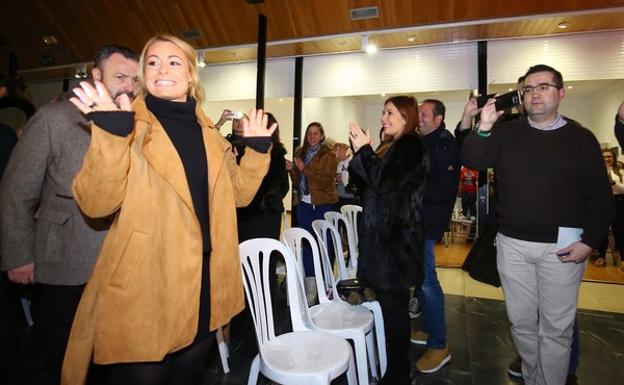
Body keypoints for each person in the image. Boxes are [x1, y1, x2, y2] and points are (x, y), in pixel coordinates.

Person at [61, 34, 275, 385]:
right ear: (144, 75)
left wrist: (256, 152)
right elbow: (96, 204)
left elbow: (237, 196)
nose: (162, 69)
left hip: (205, 283)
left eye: (174, 62)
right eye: (152, 62)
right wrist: (112, 136)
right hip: (149, 286)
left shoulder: (210, 133)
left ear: (191, 74)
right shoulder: (128, 123)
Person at [462, 64, 613, 385]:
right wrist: (484, 125)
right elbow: (473, 160)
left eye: (543, 87)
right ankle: (533, 377)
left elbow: (600, 196)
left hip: (563, 247)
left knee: (557, 329)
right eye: (528, 89)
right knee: (522, 324)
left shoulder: (581, 138)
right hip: (512, 245)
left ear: (560, 93)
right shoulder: (506, 132)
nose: (534, 94)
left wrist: (590, 241)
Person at [0, 45, 139, 385]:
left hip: (118, 261)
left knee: (106, 355)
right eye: (120, 77)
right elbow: (17, 190)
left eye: (135, 79)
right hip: (65, 259)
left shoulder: (135, 123)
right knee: (62, 356)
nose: (129, 87)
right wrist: (19, 256)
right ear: (96, 75)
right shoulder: (54, 118)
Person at [347, 95, 427, 385]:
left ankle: (397, 373)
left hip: (396, 247)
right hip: (382, 244)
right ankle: (393, 364)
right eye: (383, 112)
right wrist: (361, 154)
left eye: (389, 112)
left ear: (406, 117)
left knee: (395, 314)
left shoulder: (410, 145)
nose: (383, 117)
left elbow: (383, 181)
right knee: (389, 310)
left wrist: (364, 151)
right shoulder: (388, 146)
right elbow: (366, 185)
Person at [410, 99, 459, 373]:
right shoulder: (425, 141)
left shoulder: (444, 145)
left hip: (427, 222)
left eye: (424, 114)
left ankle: (439, 345)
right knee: (421, 279)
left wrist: (408, 190)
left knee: (428, 283)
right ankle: (429, 329)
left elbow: (441, 190)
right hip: (417, 221)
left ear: (438, 119)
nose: (419, 117)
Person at [288, 122, 338, 302]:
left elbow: (325, 180)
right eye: (309, 133)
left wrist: (303, 168)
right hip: (304, 204)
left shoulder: (329, 155)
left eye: (315, 134)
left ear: (322, 135)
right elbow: (297, 180)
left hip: (323, 204)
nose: (312, 137)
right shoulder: (300, 152)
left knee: (325, 244)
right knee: (307, 244)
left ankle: (327, 282)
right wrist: (292, 169)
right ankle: (311, 286)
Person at [595, 148, 624, 267]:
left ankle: (623, 259)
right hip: (602, 203)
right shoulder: (595, 171)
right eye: (604, 157)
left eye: (609, 157)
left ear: (614, 158)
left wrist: (613, 183)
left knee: (620, 231)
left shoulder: (621, 171)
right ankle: (601, 256)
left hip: (619, 202)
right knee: (602, 230)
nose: (607, 159)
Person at [335, 142, 356, 206]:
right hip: (339, 196)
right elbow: (338, 177)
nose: (337, 154)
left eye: (338, 151)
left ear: (345, 151)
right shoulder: (340, 162)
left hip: (351, 198)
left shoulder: (354, 161)